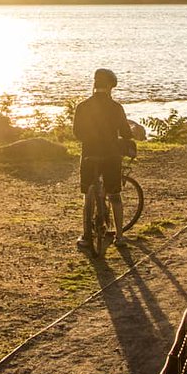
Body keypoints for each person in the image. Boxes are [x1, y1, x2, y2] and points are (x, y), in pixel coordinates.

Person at [72, 67, 135, 249]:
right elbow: (125, 132)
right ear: (110, 87)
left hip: (89, 155)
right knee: (115, 195)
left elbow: (77, 133)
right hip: (111, 155)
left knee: (88, 195)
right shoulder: (116, 108)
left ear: (94, 83)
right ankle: (120, 237)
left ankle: (86, 236)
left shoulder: (82, 106)